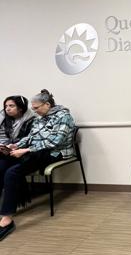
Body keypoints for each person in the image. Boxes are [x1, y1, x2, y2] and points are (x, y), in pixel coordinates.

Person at [0, 89, 75, 241]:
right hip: (36, 151)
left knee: (12, 172)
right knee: (2, 163)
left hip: (56, 153)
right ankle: (7, 205)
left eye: (36, 108)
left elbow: (55, 142)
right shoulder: (40, 118)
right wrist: (15, 146)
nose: (34, 111)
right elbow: (30, 137)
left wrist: (26, 150)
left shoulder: (64, 116)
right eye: (33, 109)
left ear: (47, 104)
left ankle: (7, 218)